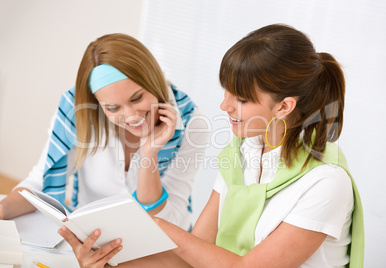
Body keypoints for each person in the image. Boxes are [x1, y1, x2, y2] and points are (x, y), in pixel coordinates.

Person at [60, 24, 364, 267]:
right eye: (227, 92)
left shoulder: (325, 182)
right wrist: (109, 260)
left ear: (283, 107)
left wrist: (156, 226)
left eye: (241, 99)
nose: (224, 106)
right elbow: (196, 256)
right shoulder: (242, 153)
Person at [0, 33, 209, 231]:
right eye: (113, 108)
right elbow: (41, 183)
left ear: (154, 81)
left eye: (136, 98)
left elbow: (168, 221)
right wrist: (4, 209)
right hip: (92, 236)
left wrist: (149, 155)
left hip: (163, 244)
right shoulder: (77, 111)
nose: (131, 115)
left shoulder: (191, 121)